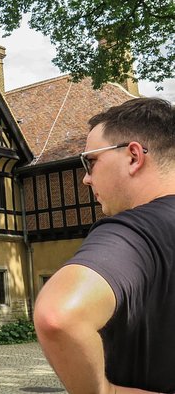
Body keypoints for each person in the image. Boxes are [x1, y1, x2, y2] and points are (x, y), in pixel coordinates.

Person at [34, 97, 175, 393]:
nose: (85, 178)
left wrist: (105, 391)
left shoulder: (135, 232)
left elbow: (57, 316)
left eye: (91, 161)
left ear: (134, 156)